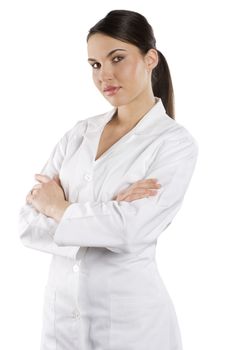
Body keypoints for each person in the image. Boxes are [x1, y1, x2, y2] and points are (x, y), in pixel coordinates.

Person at [18, 9, 199, 350]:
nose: (105, 75)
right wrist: (108, 212)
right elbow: (28, 225)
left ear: (150, 59)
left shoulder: (174, 143)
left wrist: (59, 207)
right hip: (61, 321)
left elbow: (131, 230)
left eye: (118, 58)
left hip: (132, 325)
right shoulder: (78, 135)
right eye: (95, 65)